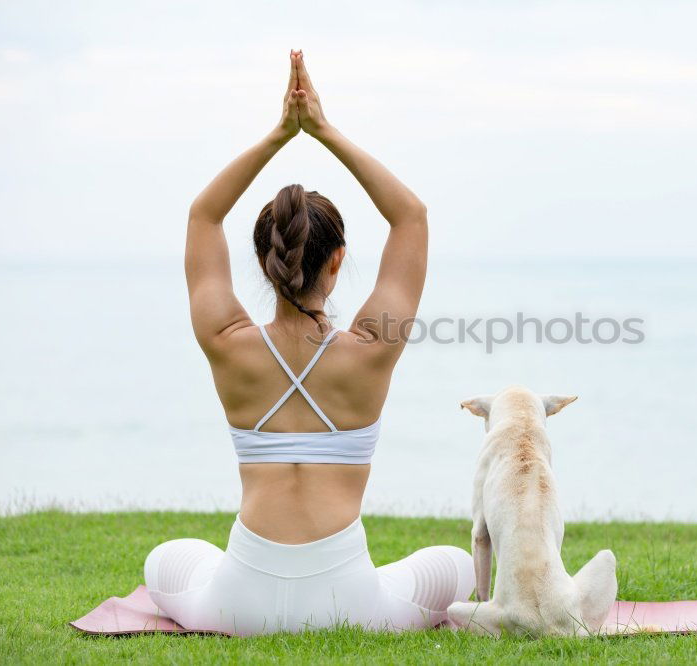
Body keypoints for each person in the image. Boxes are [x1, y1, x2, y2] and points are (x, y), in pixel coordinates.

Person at [143, 50, 474, 635]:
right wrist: (321, 130)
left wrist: (279, 134)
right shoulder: (373, 348)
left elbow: (203, 216)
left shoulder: (226, 342)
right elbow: (411, 218)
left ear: (264, 262)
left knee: (165, 560)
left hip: (236, 604)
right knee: (458, 566)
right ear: (339, 259)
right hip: (352, 605)